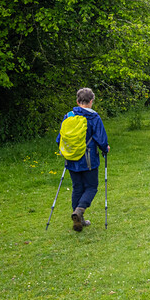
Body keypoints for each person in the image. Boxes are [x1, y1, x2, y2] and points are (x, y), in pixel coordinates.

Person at [57, 87, 110, 232]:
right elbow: (101, 138)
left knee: (77, 187)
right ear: (91, 101)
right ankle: (79, 211)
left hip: (71, 158)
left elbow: (59, 139)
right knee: (91, 187)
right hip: (88, 158)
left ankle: (78, 218)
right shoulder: (94, 117)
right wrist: (105, 149)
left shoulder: (68, 116)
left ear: (77, 101)